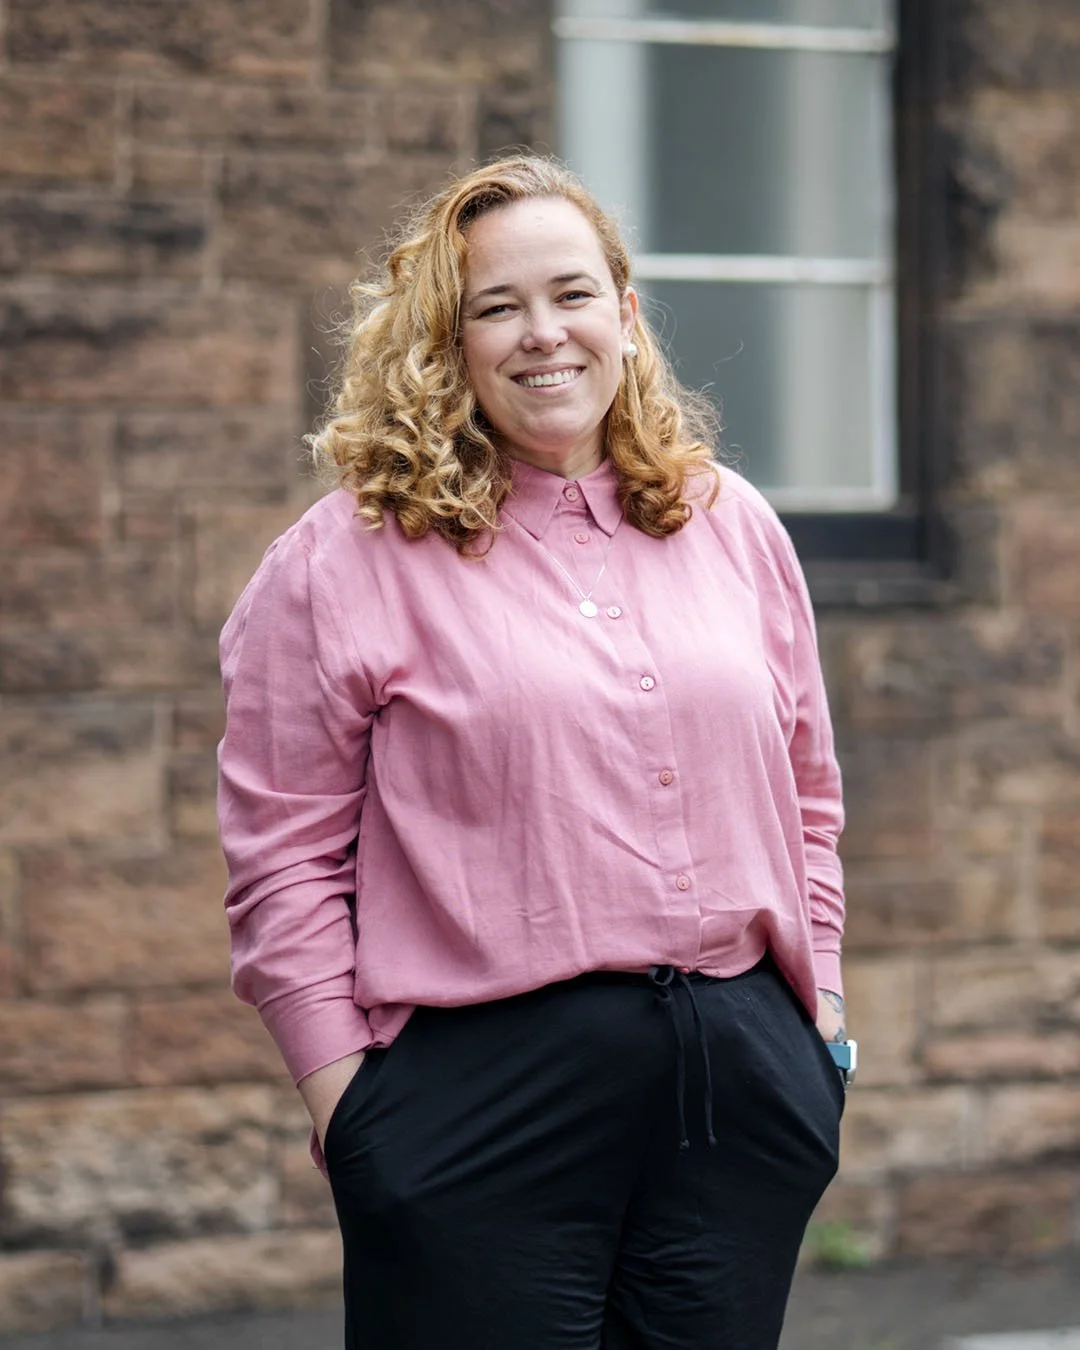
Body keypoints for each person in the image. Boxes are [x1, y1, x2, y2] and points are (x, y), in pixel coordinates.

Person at [217, 154, 850, 1350]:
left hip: (740, 1085)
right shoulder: (342, 560)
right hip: (474, 1103)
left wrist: (816, 1024)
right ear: (442, 346)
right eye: (495, 308)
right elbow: (282, 860)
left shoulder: (734, 525)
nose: (541, 334)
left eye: (571, 293)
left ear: (623, 310)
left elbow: (808, 798)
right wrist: (350, 1106)